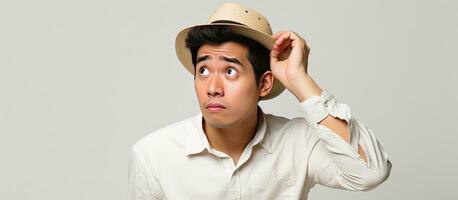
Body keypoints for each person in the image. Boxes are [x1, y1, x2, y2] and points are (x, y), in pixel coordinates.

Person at [127, 3, 392, 200]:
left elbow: (370, 172)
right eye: (203, 71)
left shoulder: (298, 142)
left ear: (264, 83)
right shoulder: (153, 155)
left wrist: (298, 79)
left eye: (230, 71)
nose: (213, 88)